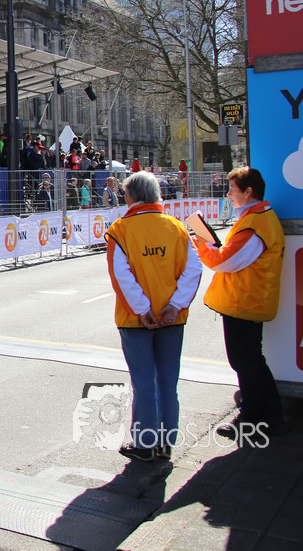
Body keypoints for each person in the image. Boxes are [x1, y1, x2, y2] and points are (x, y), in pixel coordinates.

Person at [105, 172, 202, 461]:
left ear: (130, 196)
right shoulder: (177, 227)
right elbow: (194, 269)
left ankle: (145, 443)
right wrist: (175, 304)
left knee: (144, 383)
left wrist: (143, 308)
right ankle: (166, 442)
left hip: (136, 320)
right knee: (168, 383)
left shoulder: (120, 229)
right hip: (172, 318)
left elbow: (121, 276)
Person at [192, 166, 287, 438]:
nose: (228, 194)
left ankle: (253, 419)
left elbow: (226, 261)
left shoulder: (256, 222)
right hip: (247, 301)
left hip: (245, 303)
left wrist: (203, 245)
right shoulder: (259, 219)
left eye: (232, 189)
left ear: (248, 191)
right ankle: (268, 416)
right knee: (251, 360)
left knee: (246, 362)